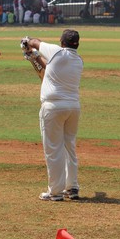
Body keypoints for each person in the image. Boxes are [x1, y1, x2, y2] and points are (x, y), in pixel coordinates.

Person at [22, 30, 83, 201]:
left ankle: (55, 192)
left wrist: (27, 42)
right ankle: (72, 188)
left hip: (53, 107)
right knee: (69, 147)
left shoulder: (57, 51)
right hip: (73, 107)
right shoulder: (78, 60)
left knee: (53, 150)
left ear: (62, 42)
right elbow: (49, 70)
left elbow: (36, 42)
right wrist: (34, 57)